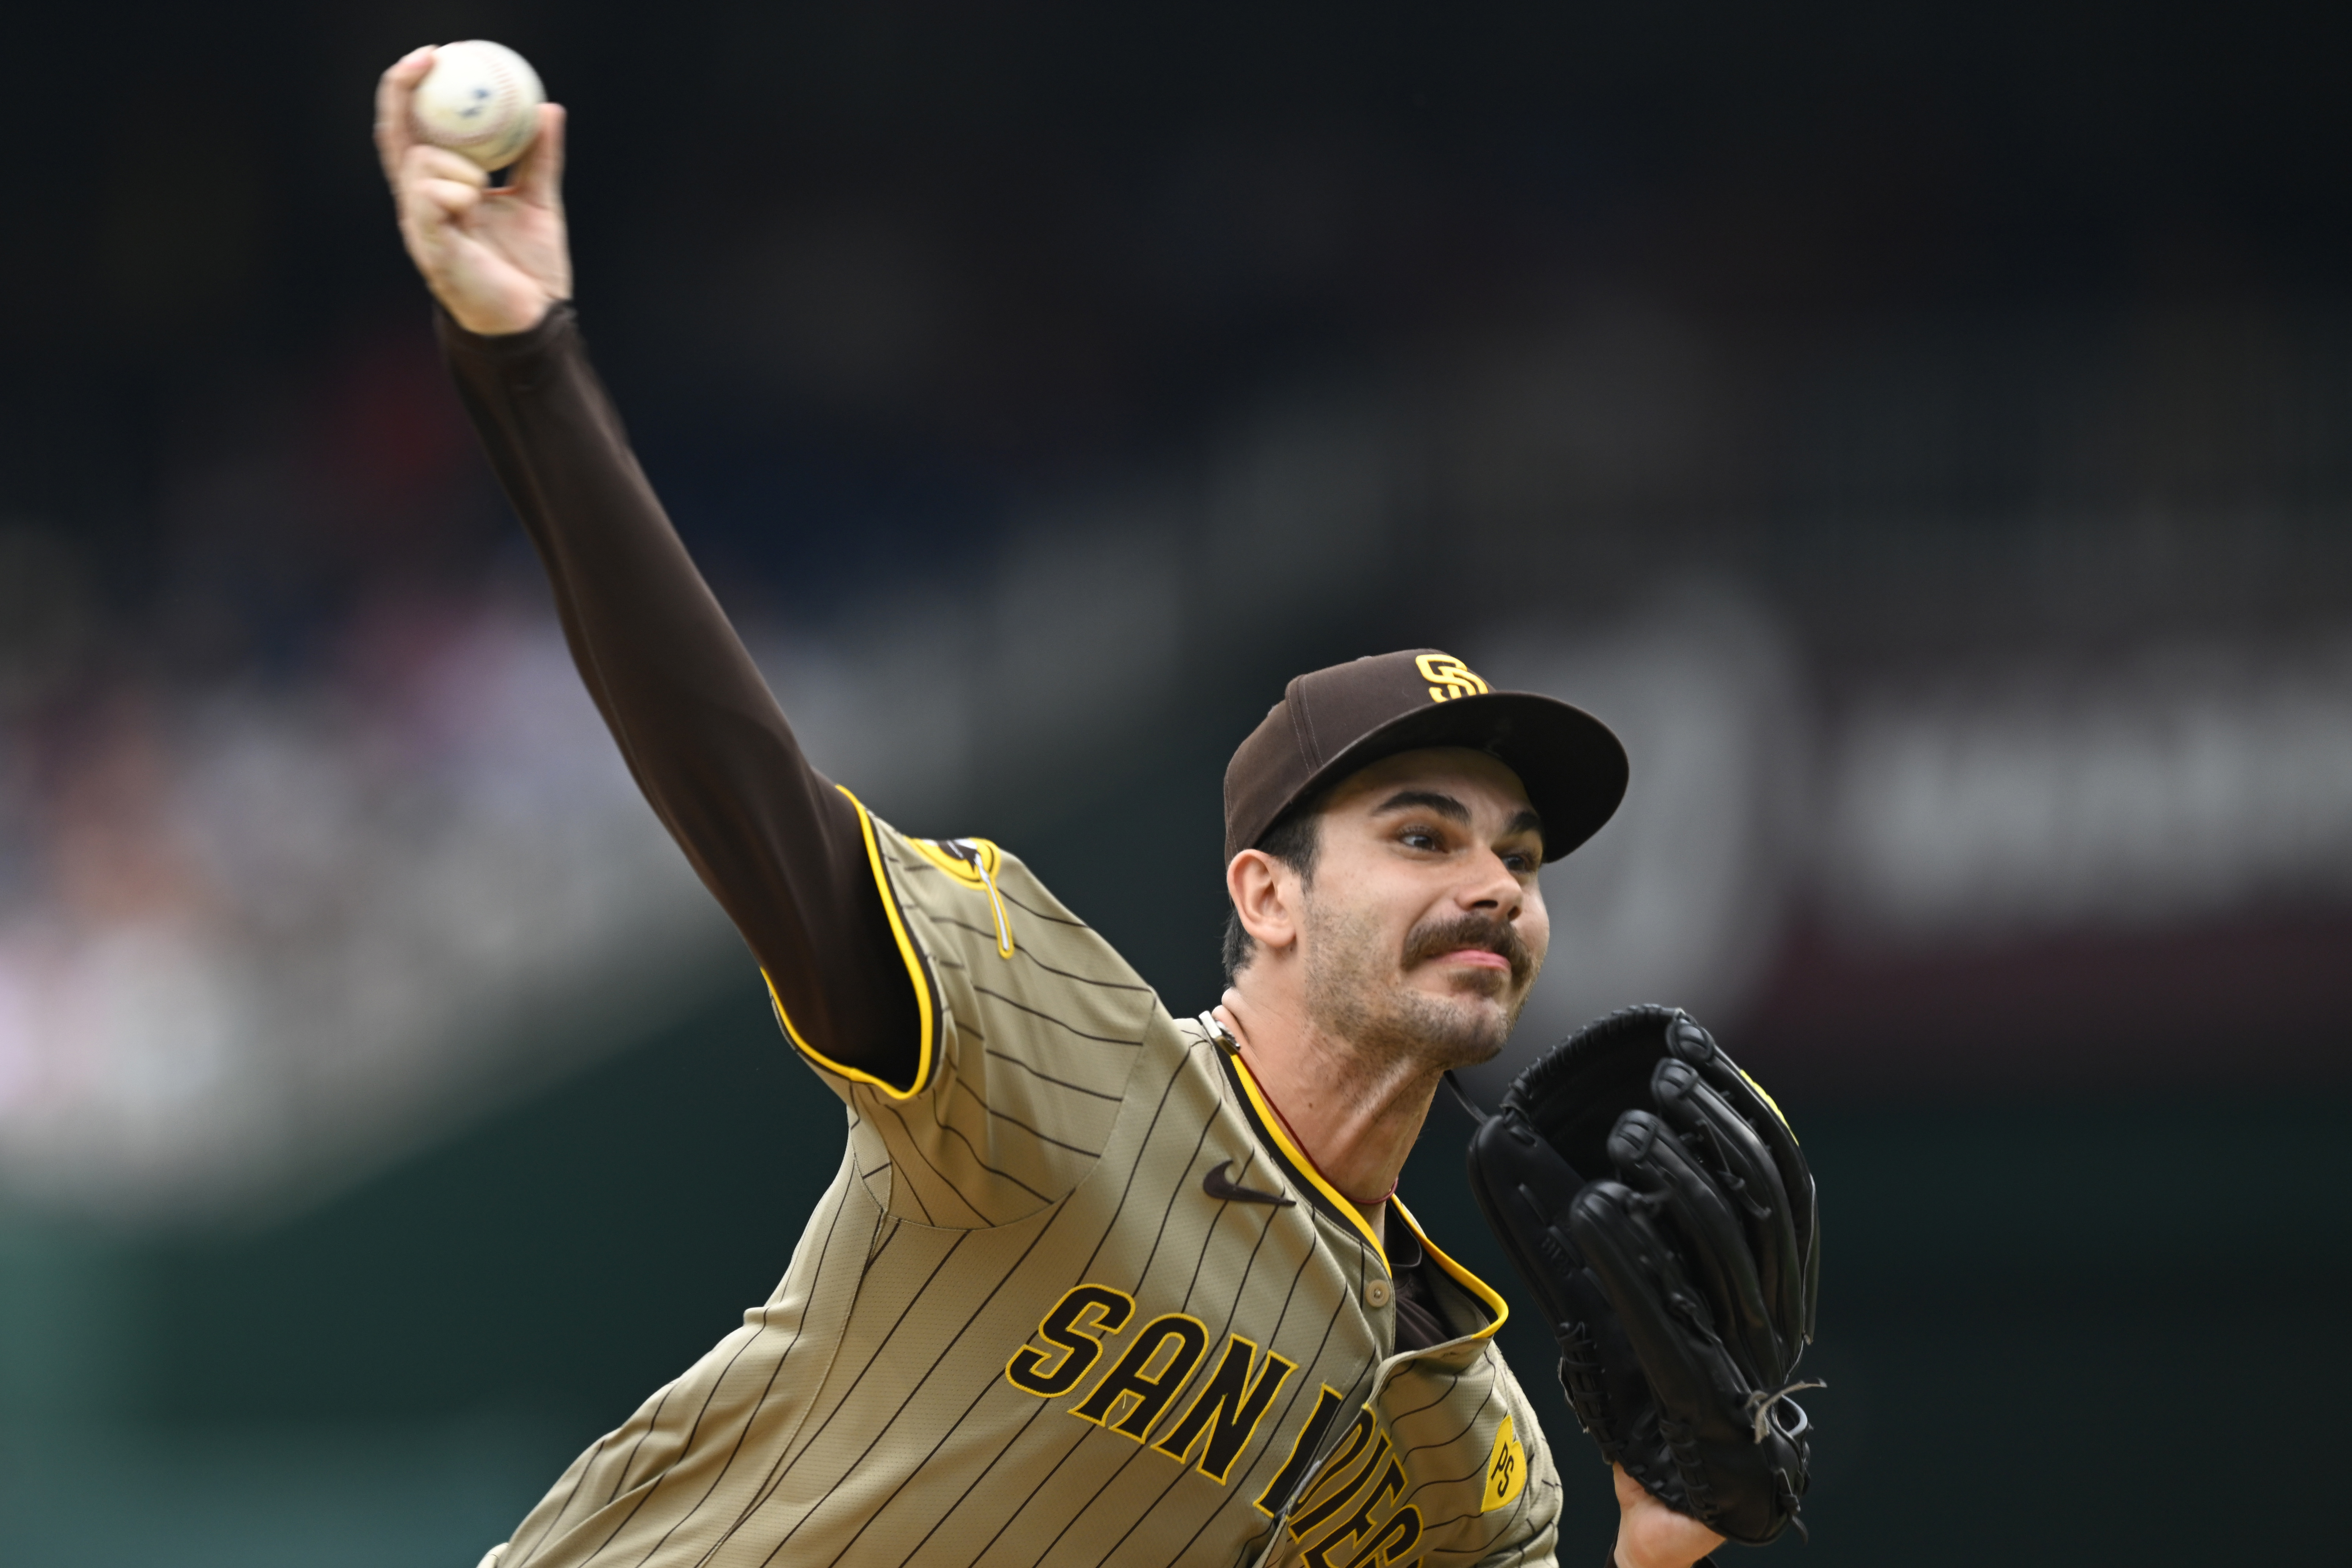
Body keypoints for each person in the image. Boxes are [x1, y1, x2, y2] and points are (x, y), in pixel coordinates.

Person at [376, 44, 1725, 1568]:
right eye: (1420, 833)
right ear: (1265, 896)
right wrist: (528, 364)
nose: (1491, 881)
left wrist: (1661, 1546)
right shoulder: (1053, 1054)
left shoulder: (1456, 1441)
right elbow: (741, 784)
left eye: (1520, 854)